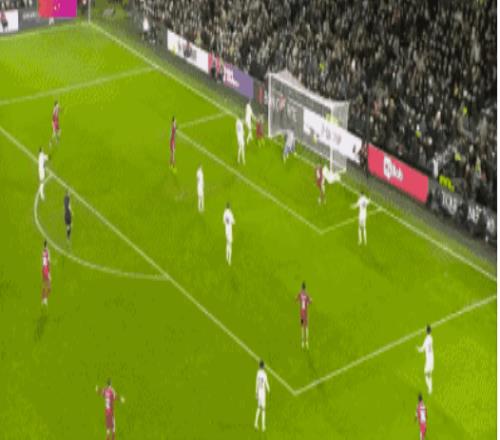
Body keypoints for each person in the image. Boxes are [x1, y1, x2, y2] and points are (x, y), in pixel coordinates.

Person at [417, 325, 434, 394]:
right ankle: (430, 388)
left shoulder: (426, 340)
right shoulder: (431, 338)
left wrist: (418, 348)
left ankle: (430, 389)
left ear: (426, 331)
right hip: (432, 358)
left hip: (429, 359)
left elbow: (421, 350)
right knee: (428, 374)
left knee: (427, 374)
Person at [254, 360, 270, 432]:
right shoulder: (264, 374)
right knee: (263, 409)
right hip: (263, 393)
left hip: (259, 392)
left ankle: (255, 423)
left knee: (258, 407)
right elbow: (266, 383)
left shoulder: (258, 373)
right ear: (263, 366)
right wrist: (269, 389)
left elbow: (256, 383)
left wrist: (256, 393)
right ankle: (263, 426)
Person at [296, 282, 311, 349]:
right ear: (305, 288)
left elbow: (296, 298)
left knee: (302, 327)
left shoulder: (300, 294)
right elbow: (310, 301)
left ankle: (302, 343)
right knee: (306, 327)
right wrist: (308, 302)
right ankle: (307, 342)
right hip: (306, 314)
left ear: (301, 287)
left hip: (302, 314)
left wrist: (298, 300)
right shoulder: (307, 294)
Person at [41, 240, 51, 306]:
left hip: (43, 270)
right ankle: (45, 300)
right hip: (46, 270)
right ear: (47, 245)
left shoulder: (43, 251)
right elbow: (48, 263)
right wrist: (49, 273)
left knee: (45, 286)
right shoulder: (47, 252)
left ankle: (43, 300)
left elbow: (44, 262)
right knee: (49, 288)